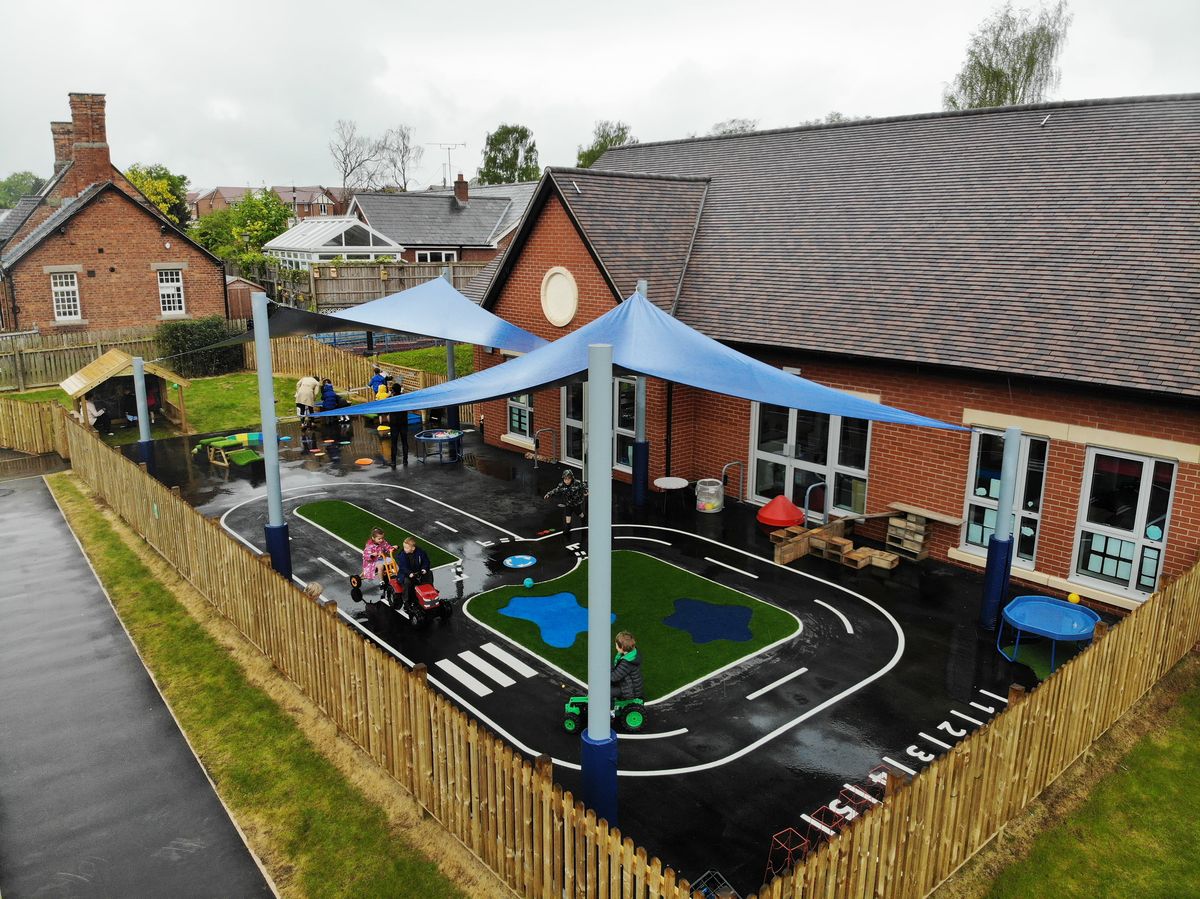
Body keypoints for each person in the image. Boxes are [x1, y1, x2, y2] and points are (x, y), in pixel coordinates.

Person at [544, 469, 588, 535]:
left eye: (568, 479)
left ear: (571, 478)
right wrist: (549, 494)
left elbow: (584, 487)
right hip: (568, 503)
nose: (566, 481)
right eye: (565, 479)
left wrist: (586, 492)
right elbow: (556, 490)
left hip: (576, 503)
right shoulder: (561, 485)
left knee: (579, 513)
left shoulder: (577, 483)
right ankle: (568, 526)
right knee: (568, 513)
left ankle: (583, 517)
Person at [395, 537, 433, 609]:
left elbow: (426, 561)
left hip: (418, 572)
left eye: (406, 548)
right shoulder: (402, 555)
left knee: (429, 573)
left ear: (413, 548)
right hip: (405, 574)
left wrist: (424, 569)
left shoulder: (420, 552)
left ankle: (429, 592)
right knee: (407, 581)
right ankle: (406, 600)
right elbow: (403, 567)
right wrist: (409, 573)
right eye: (404, 547)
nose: (404, 549)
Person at [610, 631, 644, 700]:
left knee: (606, 692)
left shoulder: (627, 663)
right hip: (628, 685)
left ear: (622, 647)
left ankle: (611, 709)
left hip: (629, 691)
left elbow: (613, 678)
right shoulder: (629, 654)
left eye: (616, 645)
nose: (616, 647)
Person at [388, 380, 409, 467]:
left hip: (394, 424)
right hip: (403, 423)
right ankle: (405, 460)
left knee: (394, 443)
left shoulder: (390, 399)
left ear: (393, 390)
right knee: (404, 442)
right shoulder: (404, 399)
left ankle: (393, 461)